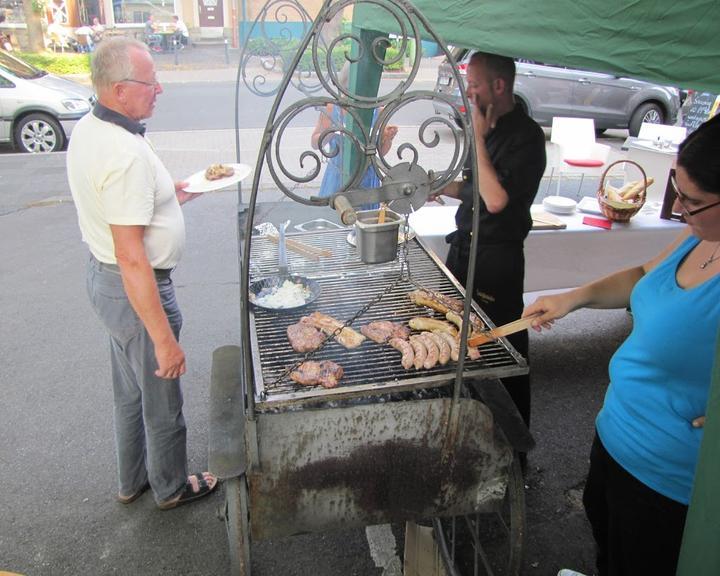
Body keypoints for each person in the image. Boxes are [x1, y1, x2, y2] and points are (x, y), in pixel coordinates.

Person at [524, 114, 720, 576]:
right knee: (608, 542)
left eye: (692, 201)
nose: (680, 210)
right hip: (617, 433)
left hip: (669, 474)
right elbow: (640, 277)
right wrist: (573, 298)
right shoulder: (696, 237)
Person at [66, 37, 217, 510]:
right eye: (150, 82)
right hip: (134, 287)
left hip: (105, 282)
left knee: (130, 394)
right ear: (118, 90)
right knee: (161, 400)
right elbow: (132, 256)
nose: (160, 89)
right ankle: (171, 487)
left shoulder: (92, 128)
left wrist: (167, 193)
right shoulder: (124, 153)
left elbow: (117, 200)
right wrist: (164, 340)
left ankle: (131, 481)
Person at [428, 51, 547, 431]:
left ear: (499, 86)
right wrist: (436, 186)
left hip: (497, 261)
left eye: (474, 84)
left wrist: (476, 138)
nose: (467, 91)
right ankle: (465, 426)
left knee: (500, 349)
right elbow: (475, 188)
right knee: (454, 335)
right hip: (464, 249)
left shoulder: (526, 137)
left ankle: (513, 443)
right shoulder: (488, 126)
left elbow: (495, 200)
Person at [311, 64, 398, 202]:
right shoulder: (331, 109)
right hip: (338, 177)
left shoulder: (378, 111)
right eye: (348, 90)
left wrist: (387, 138)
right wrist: (331, 132)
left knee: (366, 219)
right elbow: (315, 143)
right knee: (335, 217)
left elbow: (380, 152)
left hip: (368, 179)